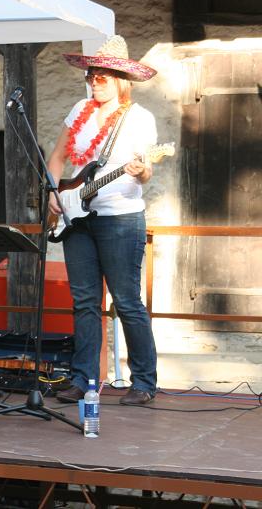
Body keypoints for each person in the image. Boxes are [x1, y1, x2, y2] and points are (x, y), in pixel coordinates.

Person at [47, 35, 159, 405]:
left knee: (126, 301)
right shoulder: (79, 109)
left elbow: (146, 172)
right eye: (91, 76)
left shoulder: (139, 118)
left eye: (101, 77)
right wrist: (53, 191)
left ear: (121, 81)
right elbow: (58, 157)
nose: (94, 82)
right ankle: (83, 379)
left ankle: (143, 382)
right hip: (77, 217)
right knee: (84, 302)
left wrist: (142, 172)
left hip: (120, 219)